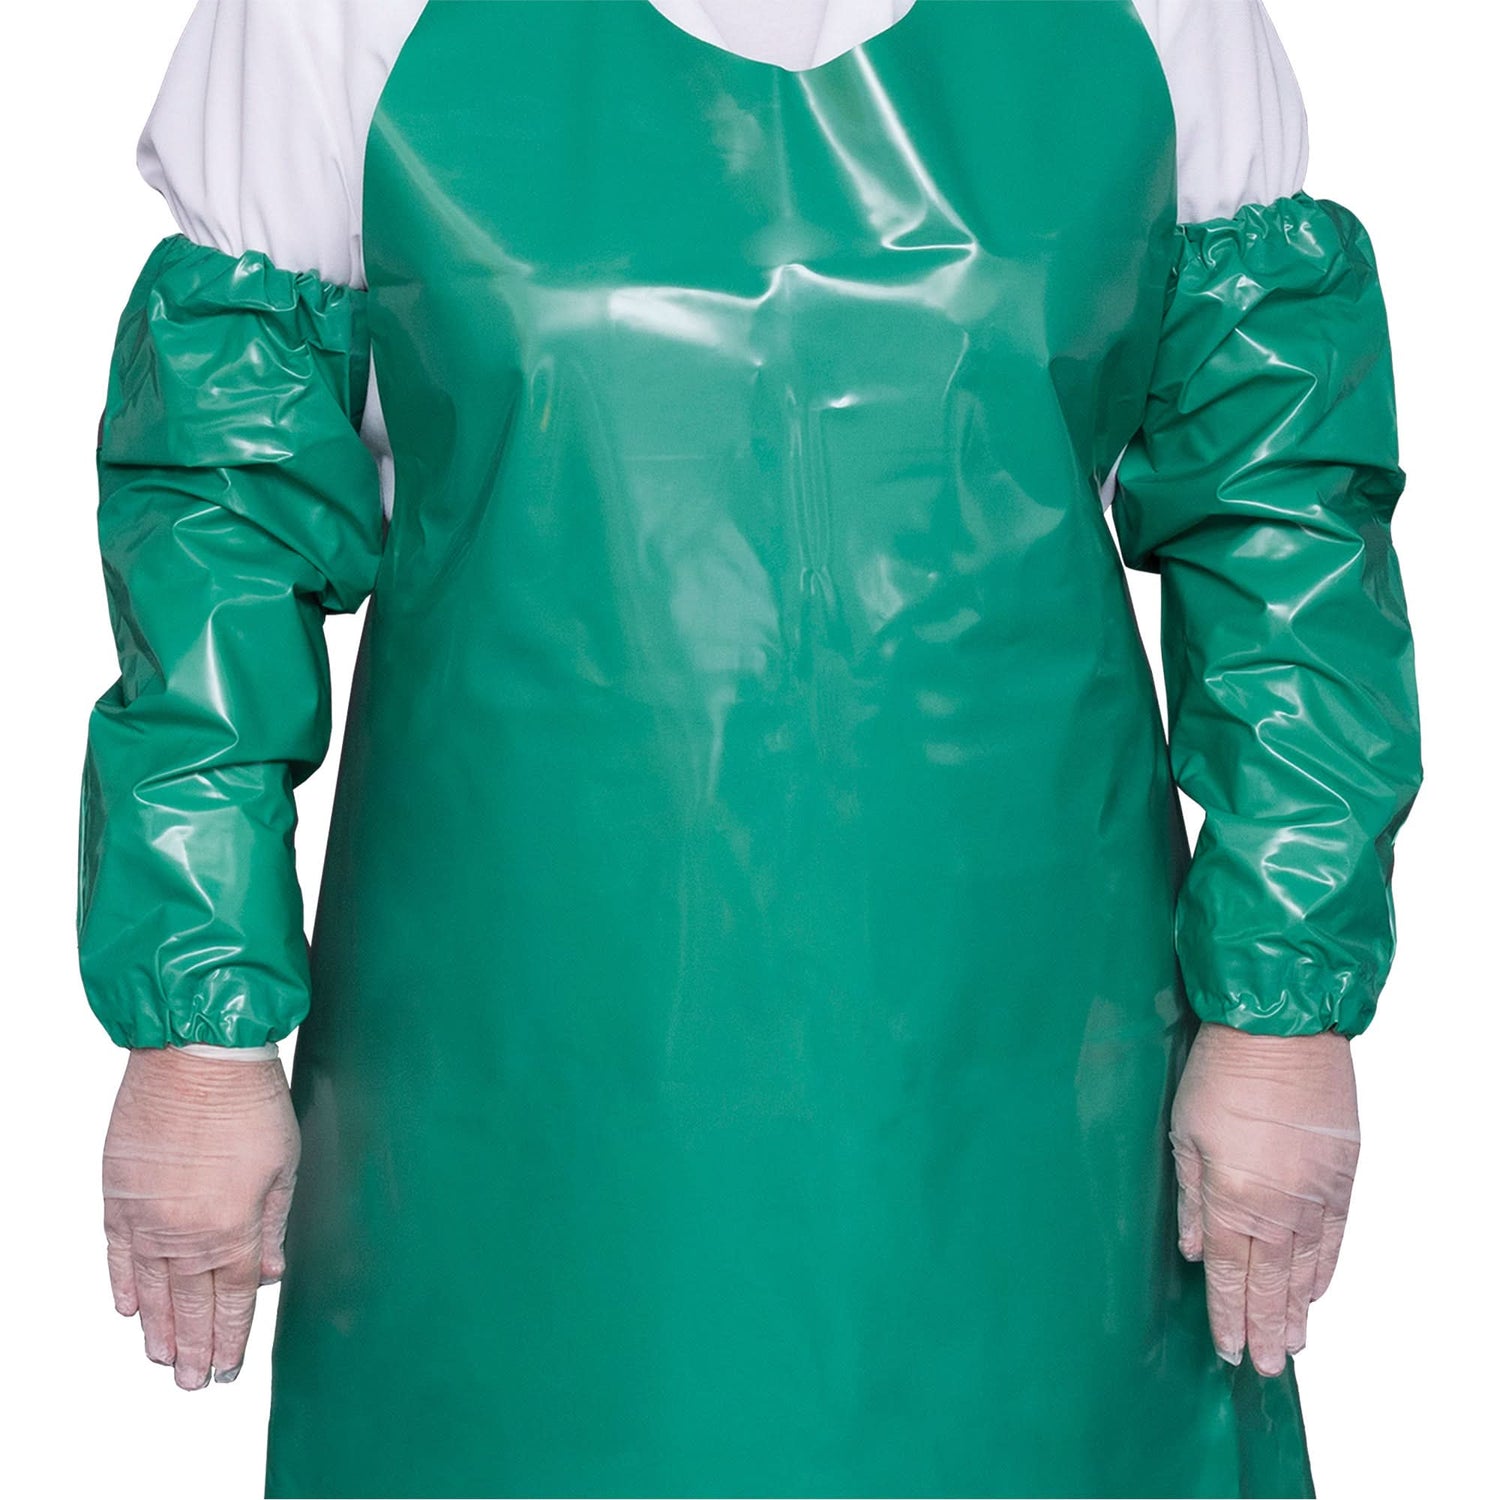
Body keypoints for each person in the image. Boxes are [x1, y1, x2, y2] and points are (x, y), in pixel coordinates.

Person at [80, 3, 1422, 1496]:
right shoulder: (334, 18)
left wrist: (1284, 1015)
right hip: (513, 1089)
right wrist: (198, 1038)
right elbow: (219, 534)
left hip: (1028, 1088)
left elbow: (1283, 522)